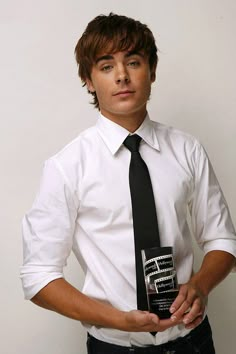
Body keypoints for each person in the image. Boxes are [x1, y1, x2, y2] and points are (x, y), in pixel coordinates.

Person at [21, 13, 236, 354]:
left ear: (151, 71)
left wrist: (200, 285)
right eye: (106, 66)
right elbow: (38, 276)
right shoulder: (67, 166)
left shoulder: (187, 149)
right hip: (115, 346)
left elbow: (222, 238)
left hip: (193, 341)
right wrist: (118, 320)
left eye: (133, 62)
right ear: (88, 80)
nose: (121, 76)